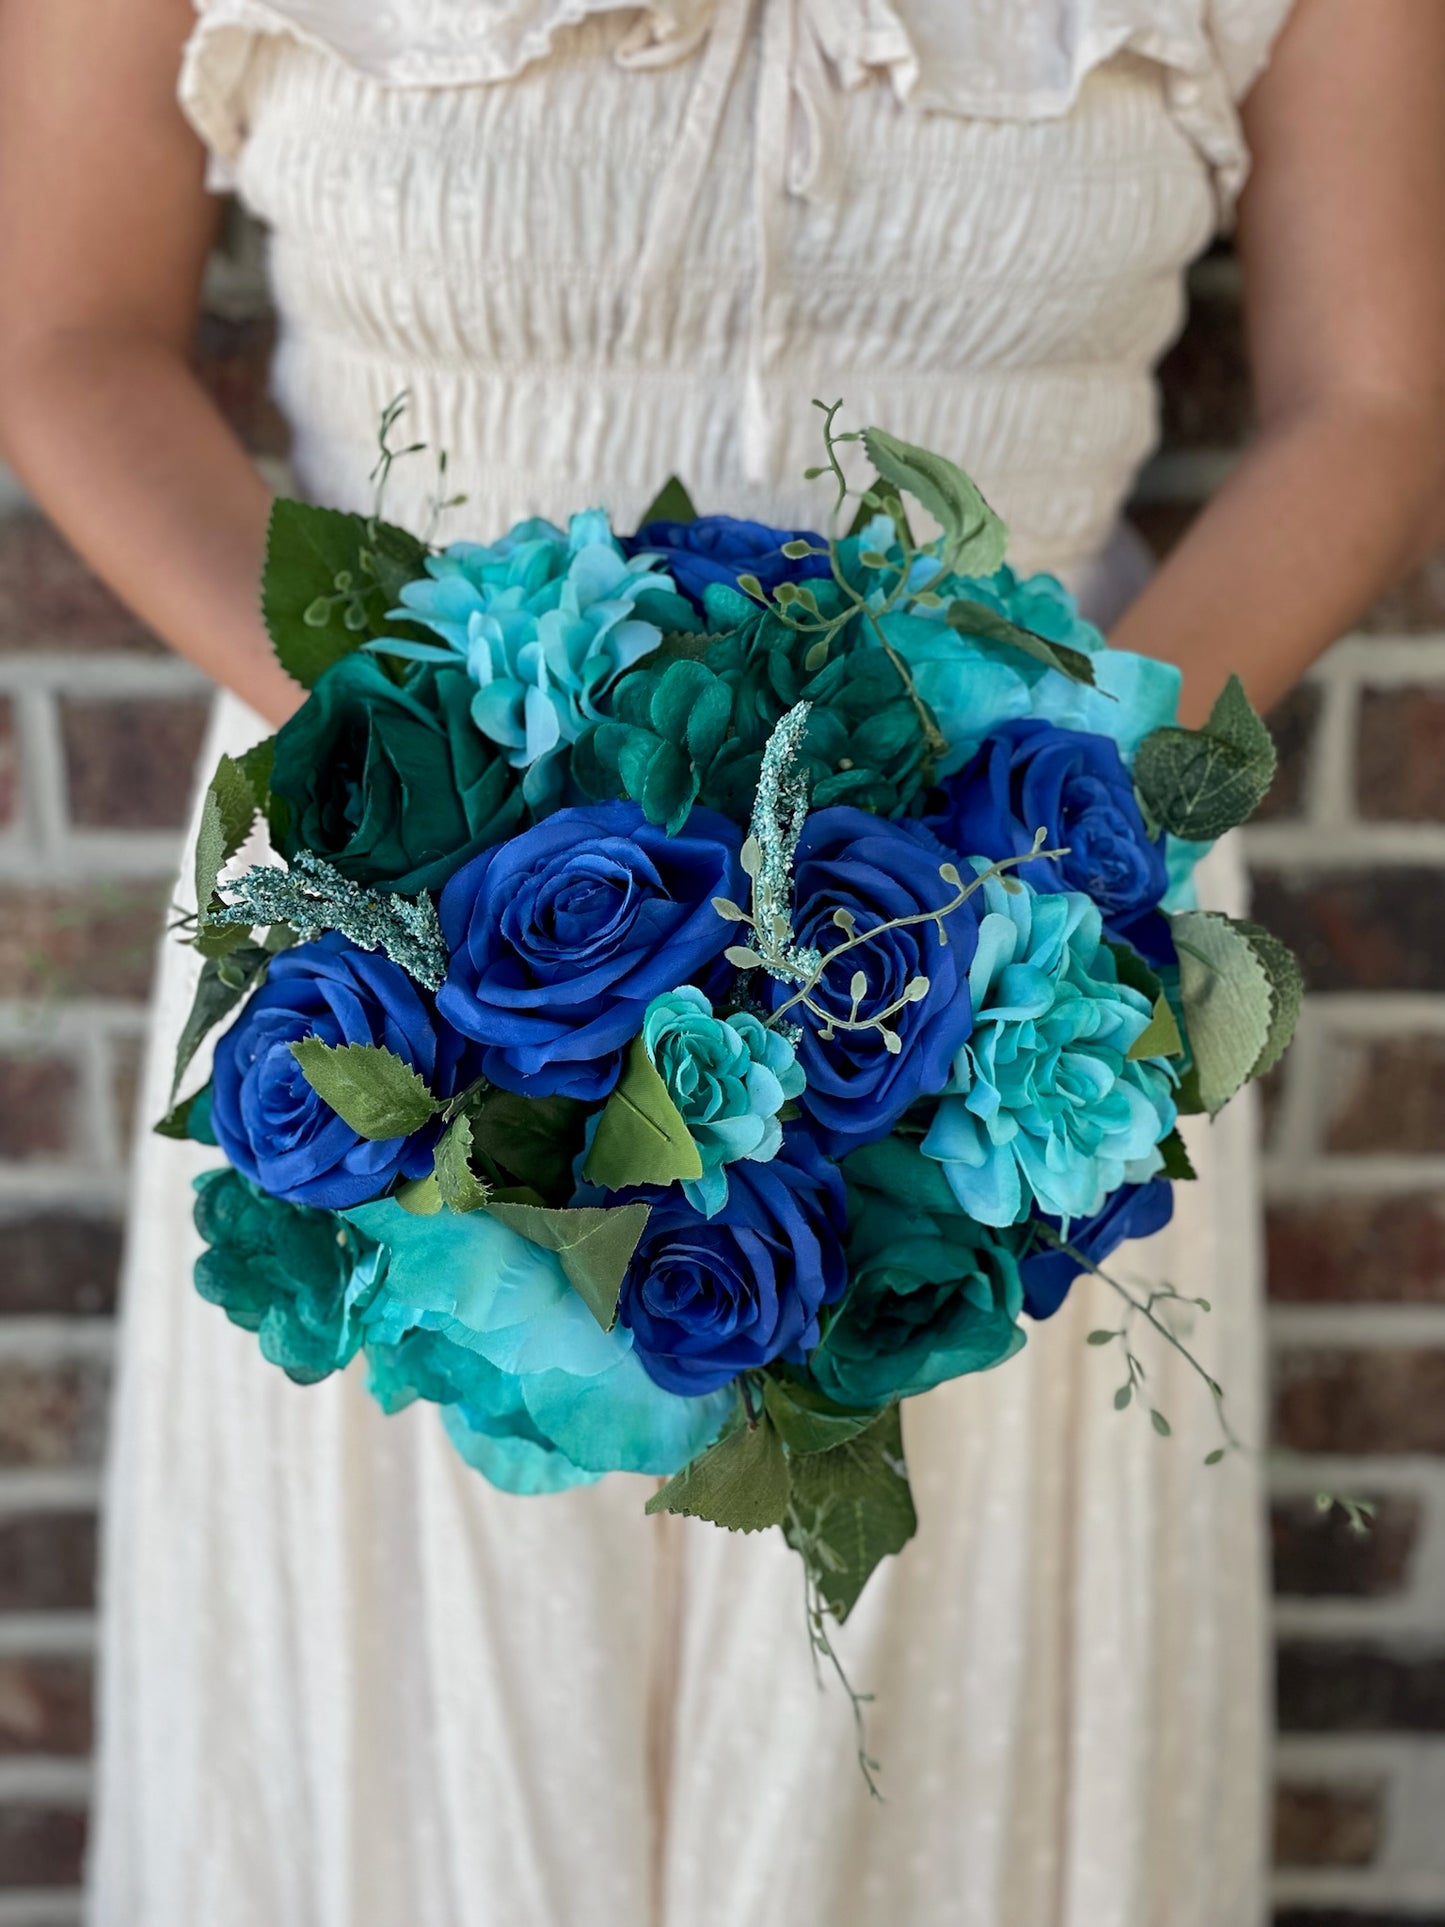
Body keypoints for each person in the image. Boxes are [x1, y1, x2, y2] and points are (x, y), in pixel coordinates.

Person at [0, 3, 1442, 1922]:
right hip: (402, 953)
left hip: (999, 997)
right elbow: (68, 333)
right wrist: (433, 772)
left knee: (941, 1802)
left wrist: (1039, 833)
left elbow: (1371, 397)